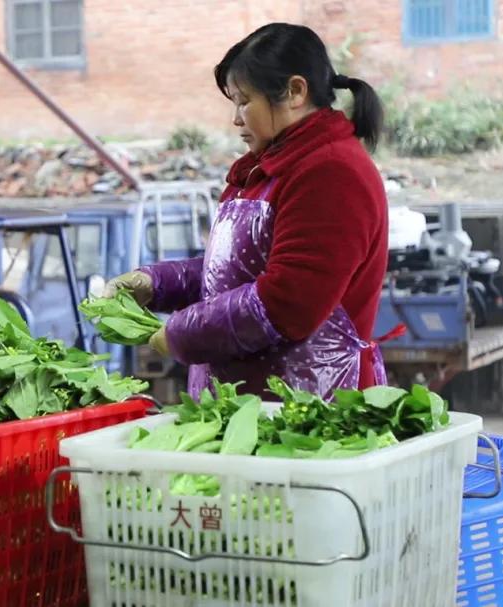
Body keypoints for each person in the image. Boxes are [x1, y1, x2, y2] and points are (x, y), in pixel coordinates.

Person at [105, 23, 389, 399]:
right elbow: (234, 273)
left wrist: (180, 334)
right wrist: (156, 284)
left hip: (309, 418)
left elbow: (288, 303)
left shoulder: (332, 173)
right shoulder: (266, 169)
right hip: (246, 410)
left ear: (295, 92)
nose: (236, 119)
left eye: (244, 100)